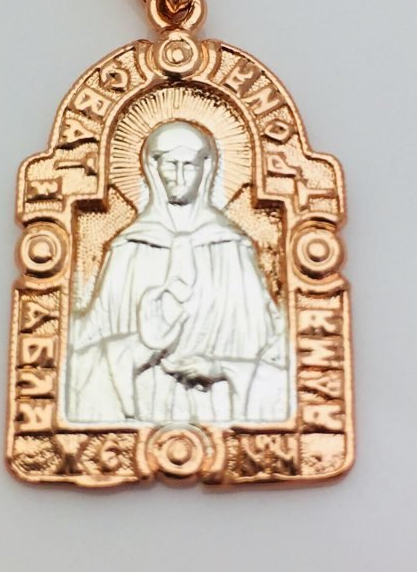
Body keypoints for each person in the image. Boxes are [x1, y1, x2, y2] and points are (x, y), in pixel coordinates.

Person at [66, 121, 290, 424]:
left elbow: (274, 344)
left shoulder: (232, 246)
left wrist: (221, 368)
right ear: (152, 168)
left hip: (217, 407)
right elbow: (85, 342)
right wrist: (135, 349)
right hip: (144, 403)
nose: (180, 177)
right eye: (171, 165)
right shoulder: (129, 248)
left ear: (206, 168)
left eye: (189, 165)